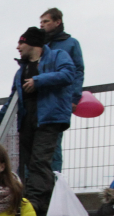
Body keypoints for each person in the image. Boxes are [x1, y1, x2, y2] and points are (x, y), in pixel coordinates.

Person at [0, 27, 75, 216]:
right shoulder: (20, 71)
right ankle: (27, 198)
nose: (18, 47)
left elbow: (68, 74)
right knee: (25, 163)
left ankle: (37, 202)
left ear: (32, 43)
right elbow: (11, 101)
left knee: (40, 161)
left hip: (49, 119)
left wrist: (39, 80)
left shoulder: (57, 56)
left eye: (21, 42)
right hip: (27, 120)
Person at [41, 8, 85, 173]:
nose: (42, 25)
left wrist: (75, 97)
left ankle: (55, 180)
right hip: (41, 100)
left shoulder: (70, 43)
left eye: (46, 21)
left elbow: (78, 71)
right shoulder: (41, 44)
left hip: (59, 100)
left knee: (54, 144)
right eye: (41, 22)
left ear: (57, 22)